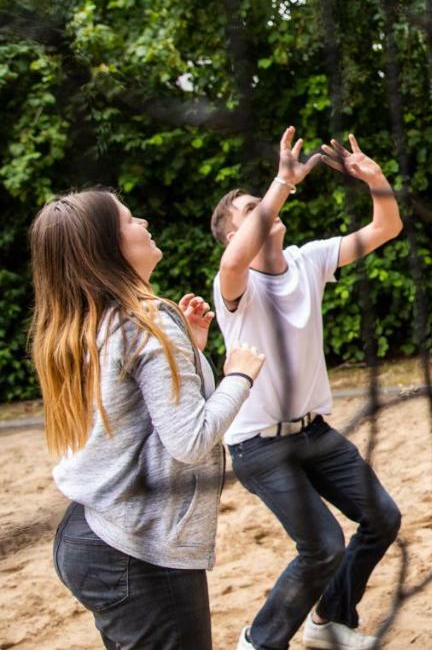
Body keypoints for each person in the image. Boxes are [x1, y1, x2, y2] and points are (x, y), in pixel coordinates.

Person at [30, 189, 265, 650]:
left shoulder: (89, 320)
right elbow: (191, 440)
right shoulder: (145, 324)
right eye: (129, 220)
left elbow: (129, 410)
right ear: (108, 248)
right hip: (138, 553)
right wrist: (237, 376)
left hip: (89, 536)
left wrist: (189, 352)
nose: (143, 221)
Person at [211, 128, 403, 650]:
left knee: (382, 518)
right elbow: (231, 264)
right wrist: (281, 180)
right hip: (259, 445)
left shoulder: (308, 258)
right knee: (321, 545)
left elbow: (388, 226)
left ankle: (330, 622)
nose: (268, 211)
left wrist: (375, 178)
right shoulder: (235, 284)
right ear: (236, 237)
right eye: (251, 212)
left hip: (313, 433)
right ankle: (259, 641)